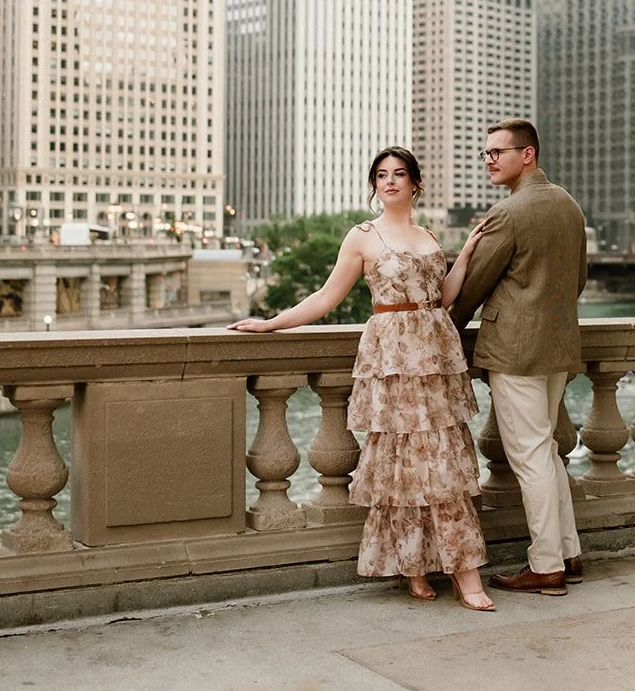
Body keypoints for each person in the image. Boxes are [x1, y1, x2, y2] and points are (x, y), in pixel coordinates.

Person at [228, 147, 496, 612]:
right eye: (381, 175)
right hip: (392, 357)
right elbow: (326, 297)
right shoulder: (362, 236)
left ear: (415, 184)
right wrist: (271, 323)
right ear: (375, 185)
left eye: (399, 174)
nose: (389, 181)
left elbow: (444, 297)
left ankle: (464, 572)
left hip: (435, 356)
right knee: (402, 464)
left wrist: (467, 252)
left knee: (445, 462)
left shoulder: (429, 236)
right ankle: (413, 565)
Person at [450, 118, 588, 597]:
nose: (489, 160)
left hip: (515, 350)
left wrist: (448, 324)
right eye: (486, 153)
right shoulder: (569, 205)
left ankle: (546, 565)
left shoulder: (508, 212)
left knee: (529, 457)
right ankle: (568, 553)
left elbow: (472, 288)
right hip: (558, 347)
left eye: (497, 152)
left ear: (527, 154)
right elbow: (579, 280)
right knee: (546, 451)